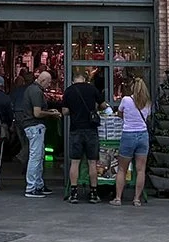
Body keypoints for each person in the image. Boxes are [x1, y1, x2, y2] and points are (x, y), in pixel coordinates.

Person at [61, 67, 105, 203]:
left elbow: (64, 111)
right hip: (91, 130)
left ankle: (74, 193)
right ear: (85, 79)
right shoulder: (92, 89)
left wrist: (74, 111)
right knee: (92, 162)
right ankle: (93, 193)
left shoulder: (69, 91)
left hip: (76, 129)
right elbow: (103, 105)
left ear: (73, 80)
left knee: (75, 162)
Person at [116, 76, 152, 207]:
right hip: (143, 135)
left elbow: (120, 114)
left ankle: (118, 198)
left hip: (128, 135)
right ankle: (137, 199)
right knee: (141, 170)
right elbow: (147, 118)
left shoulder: (126, 100)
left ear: (132, 87)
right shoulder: (147, 102)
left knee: (122, 169)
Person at [16, 71, 53, 197]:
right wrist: (51, 114)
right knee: (35, 157)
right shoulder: (37, 92)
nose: (49, 85)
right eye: (48, 82)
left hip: (31, 126)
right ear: (42, 80)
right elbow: (37, 113)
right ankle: (31, 187)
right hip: (35, 126)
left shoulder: (31, 89)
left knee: (38, 156)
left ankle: (38, 184)